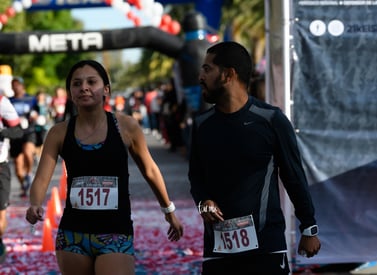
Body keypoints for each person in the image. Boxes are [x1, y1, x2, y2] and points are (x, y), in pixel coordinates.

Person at [25, 60, 184, 275]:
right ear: (71, 92)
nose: (84, 88)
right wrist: (35, 203)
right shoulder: (59, 132)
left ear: (106, 89)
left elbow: (150, 170)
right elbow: (42, 178)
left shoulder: (126, 127)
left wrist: (169, 211)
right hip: (73, 235)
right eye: (77, 84)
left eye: (92, 82)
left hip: (115, 233)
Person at [189, 41, 321, 275]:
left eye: (207, 69)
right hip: (219, 248)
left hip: (265, 247)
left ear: (228, 74)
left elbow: (293, 176)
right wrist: (203, 202)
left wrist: (308, 227)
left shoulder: (271, 120)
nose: (200, 76)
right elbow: (196, 178)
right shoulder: (201, 125)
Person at [0, 94, 23, 263]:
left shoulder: (2, 102)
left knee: (0, 218)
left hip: (0, 166)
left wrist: (1, 131)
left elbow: (18, 130)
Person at [10, 77, 38, 197]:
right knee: (17, 166)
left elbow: (38, 112)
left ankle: (29, 173)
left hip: (29, 131)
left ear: (22, 86)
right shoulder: (9, 101)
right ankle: (24, 184)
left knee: (28, 151)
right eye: (14, 85)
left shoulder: (31, 99)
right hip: (15, 133)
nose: (16, 87)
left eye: (18, 84)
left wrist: (35, 116)